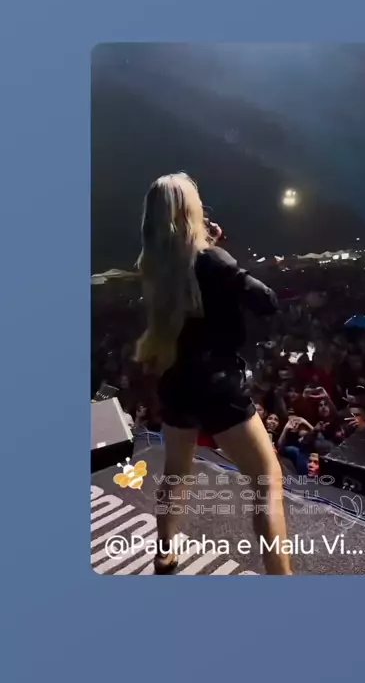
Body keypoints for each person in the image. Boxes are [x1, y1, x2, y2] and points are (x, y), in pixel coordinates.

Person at [134, 173, 292, 576]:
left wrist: (211, 251)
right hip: (217, 384)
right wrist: (221, 256)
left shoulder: (153, 265)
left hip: (176, 381)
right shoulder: (211, 260)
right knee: (266, 481)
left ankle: (164, 554)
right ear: (190, 210)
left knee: (175, 473)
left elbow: (189, 286)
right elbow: (267, 301)